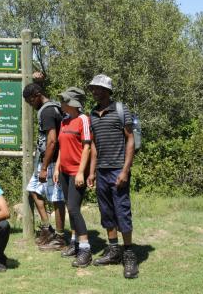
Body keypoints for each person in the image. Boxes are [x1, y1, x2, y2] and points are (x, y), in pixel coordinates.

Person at [87, 74, 139, 279]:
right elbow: (94, 146)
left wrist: (125, 170)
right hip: (101, 171)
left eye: (99, 88)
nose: (95, 91)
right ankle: (113, 250)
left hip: (118, 170)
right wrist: (91, 171)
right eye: (93, 88)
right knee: (107, 212)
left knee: (122, 212)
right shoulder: (92, 113)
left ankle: (128, 253)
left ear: (108, 91)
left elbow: (130, 140)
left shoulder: (120, 109)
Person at [22, 83, 66, 250]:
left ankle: (60, 239)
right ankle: (47, 228)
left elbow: (53, 141)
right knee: (33, 189)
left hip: (52, 161)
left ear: (38, 95)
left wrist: (44, 167)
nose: (30, 105)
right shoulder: (52, 107)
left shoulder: (47, 111)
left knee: (57, 198)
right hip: (44, 159)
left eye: (30, 101)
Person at [53, 87, 93, 267]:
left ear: (72, 104)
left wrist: (80, 172)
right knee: (70, 208)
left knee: (74, 208)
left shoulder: (83, 119)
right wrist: (57, 168)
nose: (61, 104)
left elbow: (87, 147)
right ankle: (74, 243)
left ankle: (85, 249)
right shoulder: (64, 121)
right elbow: (62, 147)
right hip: (63, 171)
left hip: (77, 172)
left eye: (64, 101)